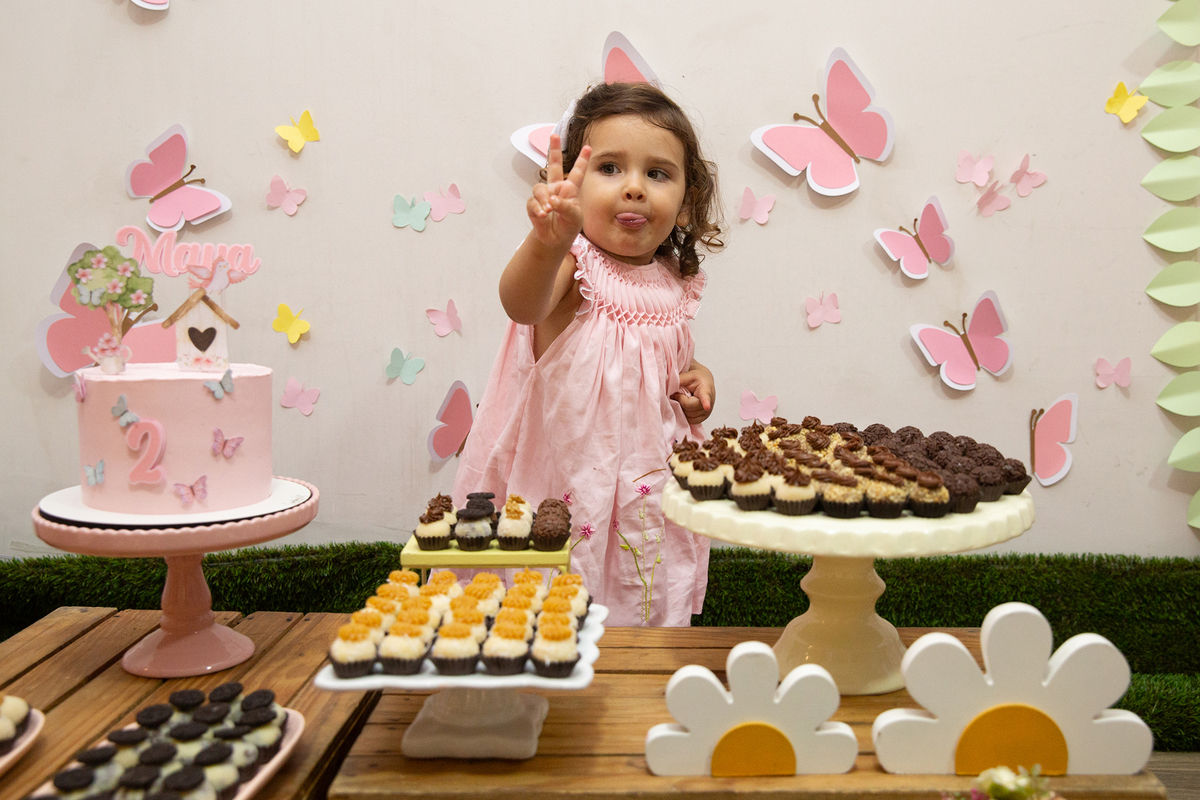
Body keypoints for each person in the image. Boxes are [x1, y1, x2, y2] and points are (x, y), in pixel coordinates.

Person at [453, 81, 724, 626]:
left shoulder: (672, 283)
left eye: (657, 173)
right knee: (558, 606)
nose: (634, 188)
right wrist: (547, 242)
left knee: (643, 589)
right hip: (568, 486)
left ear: (688, 203)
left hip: (647, 491)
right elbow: (521, 305)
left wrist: (695, 376)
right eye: (609, 169)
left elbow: (655, 368)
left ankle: (637, 685)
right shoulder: (572, 267)